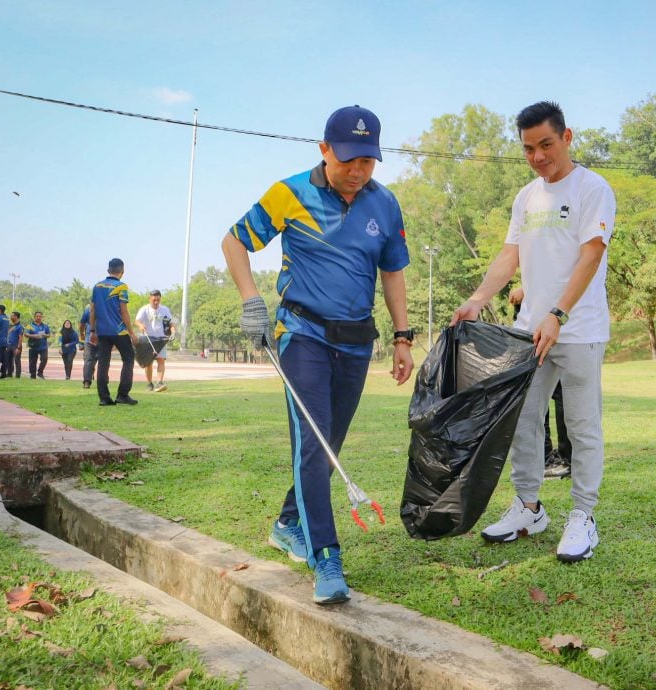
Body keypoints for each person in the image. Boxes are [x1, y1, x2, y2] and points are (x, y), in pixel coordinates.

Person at [222, 105, 413, 605]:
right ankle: (326, 557)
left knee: (330, 442)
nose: (357, 171)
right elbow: (235, 241)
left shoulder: (385, 205)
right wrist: (251, 302)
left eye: (368, 161)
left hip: (356, 341)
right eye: (348, 159)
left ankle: (288, 523)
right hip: (301, 334)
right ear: (324, 149)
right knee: (314, 442)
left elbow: (393, 272)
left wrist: (402, 336)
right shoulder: (290, 193)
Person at [451, 101, 616, 562]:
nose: (538, 156)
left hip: (578, 329)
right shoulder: (526, 198)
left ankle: (583, 516)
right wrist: (478, 298)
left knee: (582, 425)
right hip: (530, 334)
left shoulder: (592, 189)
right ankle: (528, 506)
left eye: (546, 144)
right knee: (524, 421)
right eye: (528, 149)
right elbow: (510, 256)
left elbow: (590, 256)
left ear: (566, 138)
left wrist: (558, 314)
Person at [509, 286, 571, 479]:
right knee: (535, 398)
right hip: (534, 331)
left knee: (559, 397)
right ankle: (550, 458)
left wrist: (525, 289)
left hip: (555, 328)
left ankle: (563, 458)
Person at [90, 258, 139, 405]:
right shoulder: (121, 287)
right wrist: (131, 332)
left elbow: (92, 310)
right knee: (129, 358)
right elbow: (124, 311)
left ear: (108, 270)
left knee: (103, 363)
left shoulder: (97, 287)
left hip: (102, 331)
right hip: (118, 331)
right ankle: (122, 395)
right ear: (122, 271)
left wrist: (92, 330)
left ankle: (104, 398)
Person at [134, 290, 175, 392]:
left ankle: (159, 383)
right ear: (150, 299)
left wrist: (173, 332)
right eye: (154, 300)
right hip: (148, 339)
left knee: (161, 360)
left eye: (158, 300)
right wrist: (141, 326)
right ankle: (149, 384)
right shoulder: (144, 309)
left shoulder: (165, 310)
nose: (156, 302)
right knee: (149, 363)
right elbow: (136, 321)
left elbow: (171, 324)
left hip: (161, 339)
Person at [24, 311, 51, 379]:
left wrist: (45, 335)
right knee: (32, 361)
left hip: (43, 346)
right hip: (33, 346)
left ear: (42, 317)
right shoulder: (29, 325)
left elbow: (49, 335)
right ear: (34, 317)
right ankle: (33, 375)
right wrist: (34, 336)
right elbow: (25, 334)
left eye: (40, 316)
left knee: (45, 359)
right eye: (37, 316)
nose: (38, 318)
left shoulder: (45, 326)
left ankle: (40, 372)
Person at [79, 304, 97, 389]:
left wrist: (82, 334)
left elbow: (81, 325)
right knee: (104, 360)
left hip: (89, 339)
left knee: (88, 360)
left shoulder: (88, 310)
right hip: (102, 338)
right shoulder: (107, 308)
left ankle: (87, 382)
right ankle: (103, 381)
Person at [6, 311, 24, 378]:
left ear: (16, 317)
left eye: (12, 316)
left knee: (17, 360)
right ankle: (9, 374)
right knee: (8, 360)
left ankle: (17, 375)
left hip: (15, 346)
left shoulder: (20, 327)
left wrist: (18, 347)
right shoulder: (11, 326)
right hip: (9, 345)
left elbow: (21, 338)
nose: (11, 317)